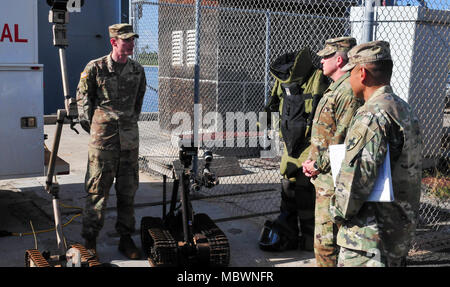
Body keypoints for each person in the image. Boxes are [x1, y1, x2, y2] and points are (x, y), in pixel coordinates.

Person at [329, 40, 422, 267]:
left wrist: (336, 211)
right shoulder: (403, 108)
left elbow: (355, 183)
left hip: (368, 240)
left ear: (362, 73)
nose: (347, 78)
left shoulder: (371, 116)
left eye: (350, 72)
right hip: (396, 231)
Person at [76, 23, 147, 259]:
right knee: (97, 192)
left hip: (129, 142)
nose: (131, 43)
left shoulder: (138, 70)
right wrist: (98, 127)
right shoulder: (95, 68)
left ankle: (125, 239)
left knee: (128, 193)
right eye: (126, 39)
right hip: (103, 143)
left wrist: (127, 124)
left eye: (132, 39)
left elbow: (138, 102)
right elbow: (83, 104)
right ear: (113, 42)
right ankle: (90, 241)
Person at [258, 48, 328, 251]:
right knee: (287, 187)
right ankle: (288, 233)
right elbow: (272, 103)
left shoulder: (318, 78)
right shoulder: (282, 80)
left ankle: (308, 242)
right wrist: (261, 126)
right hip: (289, 144)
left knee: (305, 191)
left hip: (309, 143)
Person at [301, 37, 363, 267]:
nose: (321, 60)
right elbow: (324, 133)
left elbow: (345, 140)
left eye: (326, 56)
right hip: (325, 176)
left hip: (334, 179)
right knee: (325, 241)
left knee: (326, 243)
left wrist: (318, 164)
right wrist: (312, 160)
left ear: (339, 59)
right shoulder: (336, 87)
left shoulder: (347, 91)